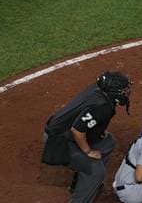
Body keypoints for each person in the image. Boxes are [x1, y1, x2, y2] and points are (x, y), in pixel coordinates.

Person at [42, 71, 131, 203]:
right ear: (114, 92)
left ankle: (82, 183)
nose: (126, 92)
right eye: (123, 90)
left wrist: (98, 132)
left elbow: (85, 120)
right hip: (58, 142)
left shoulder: (98, 91)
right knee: (96, 171)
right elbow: (77, 130)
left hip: (63, 131)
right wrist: (88, 151)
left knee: (107, 142)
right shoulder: (103, 106)